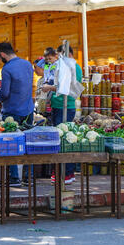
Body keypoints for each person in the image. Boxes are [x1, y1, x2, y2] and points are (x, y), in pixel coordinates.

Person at [41, 45, 83, 184]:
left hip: (66, 107)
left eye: (60, 55)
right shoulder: (61, 66)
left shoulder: (74, 67)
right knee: (60, 140)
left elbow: (67, 87)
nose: (59, 58)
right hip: (57, 106)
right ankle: (61, 172)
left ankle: (67, 173)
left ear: (68, 54)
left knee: (65, 141)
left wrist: (50, 88)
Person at [0, 42, 34, 187]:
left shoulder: (7, 68)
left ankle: (14, 178)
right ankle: (29, 177)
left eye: (0, 57)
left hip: (12, 111)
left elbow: (5, 93)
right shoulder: (27, 64)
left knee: (11, 144)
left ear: (3, 54)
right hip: (29, 109)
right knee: (28, 144)